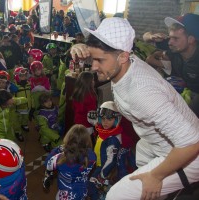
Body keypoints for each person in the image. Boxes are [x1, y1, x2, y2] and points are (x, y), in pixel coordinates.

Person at [70, 17, 199, 200]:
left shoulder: (142, 93)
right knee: (140, 152)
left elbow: (192, 143)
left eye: (100, 60)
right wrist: (77, 47)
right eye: (92, 58)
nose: (94, 66)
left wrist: (156, 176)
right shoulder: (127, 60)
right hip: (158, 143)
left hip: (186, 156)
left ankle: (159, 180)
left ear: (123, 56)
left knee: (116, 195)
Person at [146, 13, 199, 117]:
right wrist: (152, 37)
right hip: (180, 93)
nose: (169, 42)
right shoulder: (174, 45)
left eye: (175, 38)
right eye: (170, 37)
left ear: (191, 39)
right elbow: (145, 37)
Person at [87, 101, 137, 200]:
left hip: (106, 169)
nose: (105, 122)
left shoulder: (113, 139)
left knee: (92, 186)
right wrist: (90, 115)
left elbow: (111, 160)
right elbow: (93, 121)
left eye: (109, 119)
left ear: (116, 120)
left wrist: (101, 176)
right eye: (103, 119)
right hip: (100, 164)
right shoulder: (105, 129)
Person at [42, 124, 96, 199]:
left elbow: (48, 163)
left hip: (66, 195)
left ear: (69, 138)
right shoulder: (92, 155)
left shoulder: (62, 159)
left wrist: (59, 148)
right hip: (82, 191)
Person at [71, 71, 97, 135]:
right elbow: (91, 115)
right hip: (87, 126)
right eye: (93, 80)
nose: (94, 82)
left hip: (77, 123)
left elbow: (74, 108)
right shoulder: (91, 96)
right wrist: (97, 124)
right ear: (89, 83)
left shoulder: (76, 94)